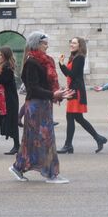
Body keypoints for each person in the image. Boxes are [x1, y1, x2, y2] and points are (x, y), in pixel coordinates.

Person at [9, 31, 73, 184]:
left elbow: (45, 85)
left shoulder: (45, 61)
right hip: (35, 106)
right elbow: (32, 88)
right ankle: (51, 173)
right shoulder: (31, 62)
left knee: (34, 140)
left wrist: (58, 94)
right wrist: (53, 94)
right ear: (36, 44)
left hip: (43, 104)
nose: (47, 45)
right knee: (45, 139)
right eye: (44, 43)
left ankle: (18, 167)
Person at [57, 37, 107, 154]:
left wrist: (61, 64)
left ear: (80, 46)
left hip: (76, 92)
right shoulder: (73, 57)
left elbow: (73, 74)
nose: (72, 44)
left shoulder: (79, 58)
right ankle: (97, 138)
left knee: (72, 118)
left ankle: (68, 145)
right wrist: (61, 64)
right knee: (77, 118)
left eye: (74, 43)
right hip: (73, 90)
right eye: (71, 42)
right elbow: (67, 75)